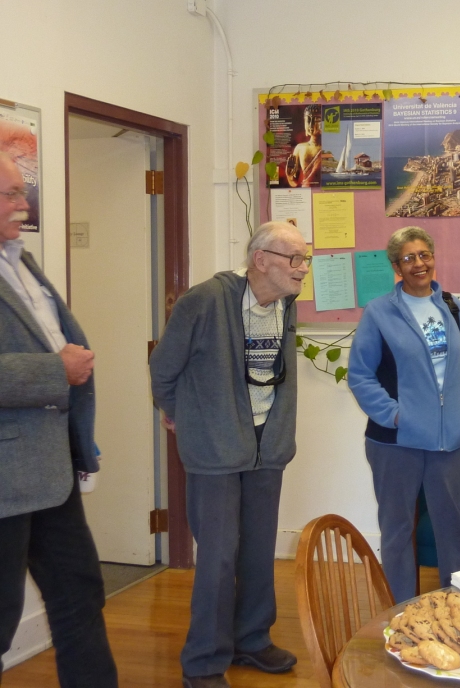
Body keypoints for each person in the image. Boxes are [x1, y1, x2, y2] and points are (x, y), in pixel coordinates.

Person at [150, 221, 309, 688]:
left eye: (305, 259)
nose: (302, 268)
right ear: (261, 259)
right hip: (216, 451)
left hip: (267, 448)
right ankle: (203, 661)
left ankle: (251, 640)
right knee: (218, 559)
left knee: (258, 551)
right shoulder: (203, 301)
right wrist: (183, 415)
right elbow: (163, 369)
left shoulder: (285, 304)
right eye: (294, 258)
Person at [0, 152, 118, 687]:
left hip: (52, 471)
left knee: (80, 594)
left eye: (20, 191)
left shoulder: (20, 259)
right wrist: (55, 370)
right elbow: (54, 361)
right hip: (6, 480)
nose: (23, 203)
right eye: (9, 194)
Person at [348, 227, 460, 604]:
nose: (418, 263)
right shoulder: (379, 312)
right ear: (396, 266)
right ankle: (400, 611)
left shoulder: (452, 308)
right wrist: (394, 415)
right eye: (408, 258)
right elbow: (360, 374)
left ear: (433, 257)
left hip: (449, 442)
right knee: (397, 529)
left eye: (424, 254)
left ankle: (457, 606)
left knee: (452, 528)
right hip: (395, 442)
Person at [285, 105, 322, 187]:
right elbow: (294, 183)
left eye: (316, 120)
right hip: (305, 190)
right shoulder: (300, 148)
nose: (311, 124)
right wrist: (289, 175)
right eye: (308, 120)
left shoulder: (328, 148)